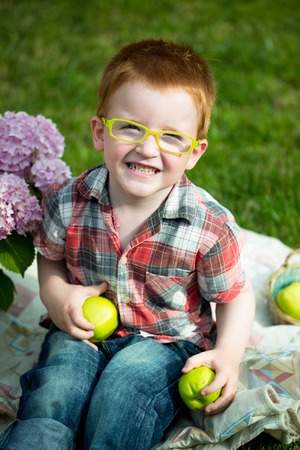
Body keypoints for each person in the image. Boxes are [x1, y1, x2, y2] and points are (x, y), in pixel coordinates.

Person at [0, 39, 255, 450]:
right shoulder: (69, 200)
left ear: (195, 152)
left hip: (167, 342)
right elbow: (49, 260)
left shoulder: (208, 225)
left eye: (172, 137)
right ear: (100, 131)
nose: (148, 147)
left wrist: (227, 354)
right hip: (83, 329)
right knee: (55, 391)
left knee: (123, 393)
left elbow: (235, 295)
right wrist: (56, 293)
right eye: (131, 127)